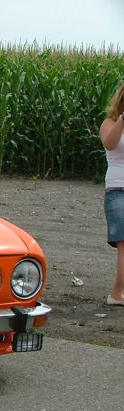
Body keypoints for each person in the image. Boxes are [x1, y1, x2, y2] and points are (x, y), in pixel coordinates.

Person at [99, 84, 124, 306]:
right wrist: (122, 120)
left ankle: (117, 293)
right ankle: (117, 294)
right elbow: (109, 143)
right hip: (117, 189)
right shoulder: (110, 123)